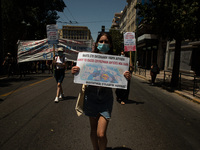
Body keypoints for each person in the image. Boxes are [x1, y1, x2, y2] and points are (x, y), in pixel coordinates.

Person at [71, 32, 131, 150]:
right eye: (101, 41)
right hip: (91, 97)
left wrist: (126, 76)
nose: (103, 44)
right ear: (97, 43)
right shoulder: (88, 58)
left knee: (101, 134)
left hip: (106, 99)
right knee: (93, 130)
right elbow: (81, 72)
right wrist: (76, 70)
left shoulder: (117, 60)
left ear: (110, 44)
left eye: (106, 42)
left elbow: (119, 78)